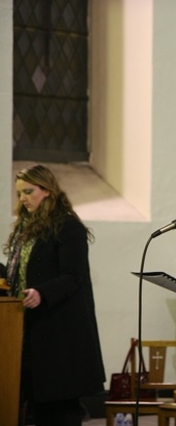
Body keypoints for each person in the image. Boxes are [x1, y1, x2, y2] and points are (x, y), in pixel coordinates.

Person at [2, 164, 105, 425]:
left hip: (59, 331)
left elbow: (74, 276)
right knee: (36, 406)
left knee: (60, 410)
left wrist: (42, 293)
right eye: (19, 194)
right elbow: (20, 274)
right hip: (29, 331)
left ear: (47, 191)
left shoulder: (68, 227)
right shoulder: (25, 229)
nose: (23, 199)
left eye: (28, 191)